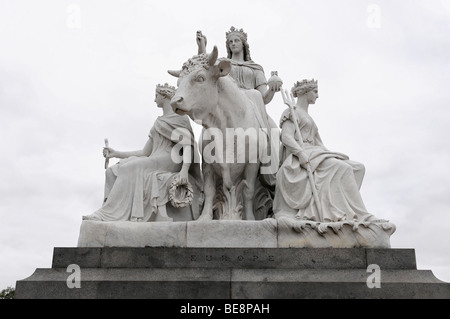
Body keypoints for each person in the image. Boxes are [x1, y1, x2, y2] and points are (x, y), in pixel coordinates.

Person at [82, 83, 202, 222]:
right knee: (112, 171)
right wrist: (116, 153)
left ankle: (108, 214)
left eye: (156, 96)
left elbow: (187, 145)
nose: (154, 100)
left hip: (170, 160)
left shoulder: (180, 118)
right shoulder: (158, 122)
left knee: (129, 167)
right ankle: (109, 211)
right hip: (155, 158)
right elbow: (145, 152)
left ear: (164, 96)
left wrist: (184, 170)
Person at [273, 79, 383, 223]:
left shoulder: (309, 118)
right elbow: (286, 137)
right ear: (306, 92)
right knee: (343, 168)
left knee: (357, 168)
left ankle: (348, 212)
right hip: (302, 154)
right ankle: (361, 215)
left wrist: (332, 156)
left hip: (316, 154)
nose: (317, 96)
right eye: (315, 92)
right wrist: (300, 153)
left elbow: (320, 144)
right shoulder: (291, 112)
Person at [196, 27, 281, 185]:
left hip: (253, 107)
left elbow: (263, 98)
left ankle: (271, 174)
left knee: (274, 134)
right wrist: (202, 48)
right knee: (206, 133)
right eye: (230, 42)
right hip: (227, 105)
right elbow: (206, 68)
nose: (233, 44)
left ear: (243, 44)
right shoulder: (224, 63)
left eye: (236, 41)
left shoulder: (255, 68)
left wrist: (272, 89)